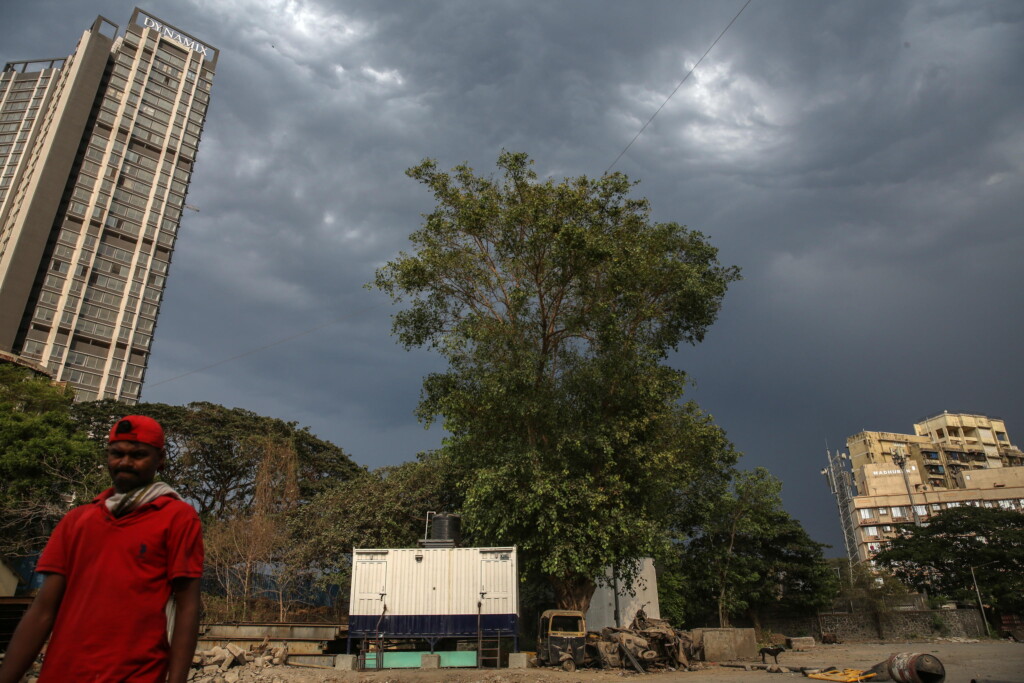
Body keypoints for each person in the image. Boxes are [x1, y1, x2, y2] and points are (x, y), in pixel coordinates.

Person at [0, 415, 204, 683]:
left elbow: (188, 607)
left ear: (160, 459)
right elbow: (43, 610)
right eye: (116, 453)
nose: (125, 463)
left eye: (138, 455)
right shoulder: (77, 521)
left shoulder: (177, 517)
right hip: (62, 673)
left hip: (135, 674)